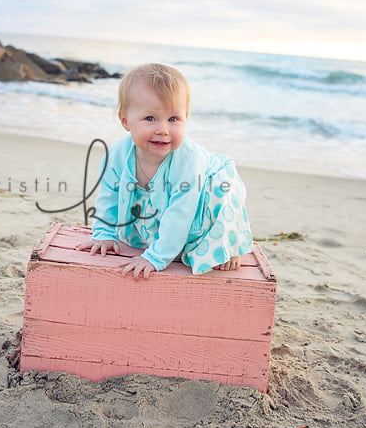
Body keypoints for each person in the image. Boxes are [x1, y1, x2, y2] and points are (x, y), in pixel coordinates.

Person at [76, 63, 254, 279]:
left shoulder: (188, 161)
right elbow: (108, 196)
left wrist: (155, 257)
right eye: (150, 118)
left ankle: (229, 244)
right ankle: (163, 241)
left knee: (220, 196)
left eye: (173, 119)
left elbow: (180, 213)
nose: (163, 129)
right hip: (165, 208)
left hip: (202, 196)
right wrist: (104, 234)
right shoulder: (117, 154)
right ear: (126, 121)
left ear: (185, 118)